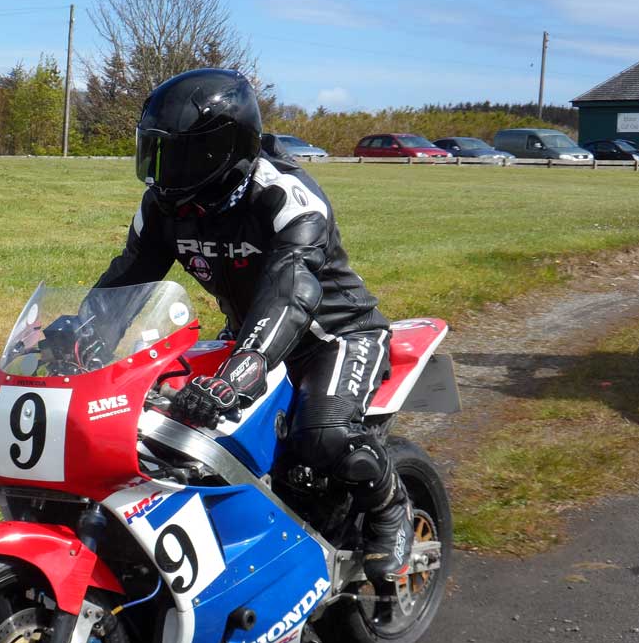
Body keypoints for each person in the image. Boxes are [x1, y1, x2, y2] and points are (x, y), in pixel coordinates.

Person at [90, 67, 412, 586]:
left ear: (222, 151)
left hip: (334, 336)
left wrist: (244, 369)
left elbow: (292, 291)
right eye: (155, 152)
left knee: (323, 437)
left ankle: (388, 508)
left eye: (177, 154)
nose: (161, 170)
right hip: (250, 336)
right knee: (167, 433)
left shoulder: (283, 195)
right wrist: (75, 333)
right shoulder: (164, 206)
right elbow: (128, 279)